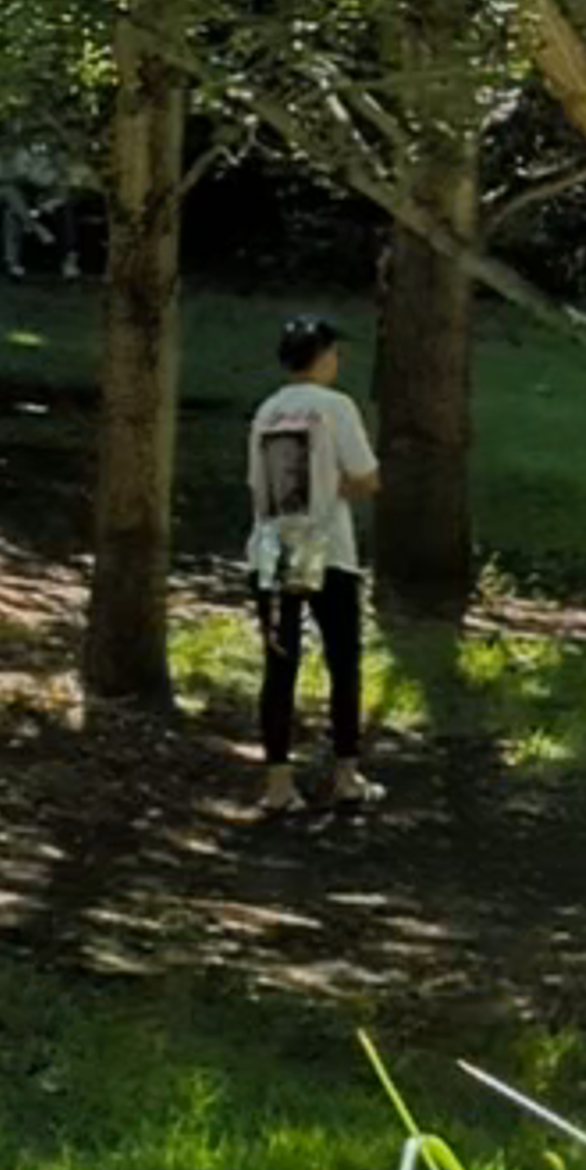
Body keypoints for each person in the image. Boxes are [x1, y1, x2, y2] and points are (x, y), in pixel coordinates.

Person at [244, 313, 379, 821]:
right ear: (321, 358)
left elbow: (267, 489)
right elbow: (367, 477)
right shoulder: (334, 407)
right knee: (343, 660)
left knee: (281, 666)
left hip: (274, 549)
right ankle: (346, 773)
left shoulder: (269, 410)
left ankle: (279, 782)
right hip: (330, 550)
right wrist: (337, 487)